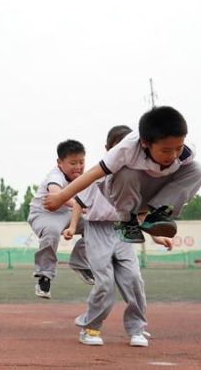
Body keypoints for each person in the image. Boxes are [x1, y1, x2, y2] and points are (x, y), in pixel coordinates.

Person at [62, 125, 173, 347]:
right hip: (98, 229)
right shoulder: (97, 176)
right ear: (108, 149)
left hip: (124, 228)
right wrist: (73, 227)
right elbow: (79, 203)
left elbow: (139, 214)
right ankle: (91, 328)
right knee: (104, 282)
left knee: (133, 279)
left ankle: (137, 329)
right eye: (118, 148)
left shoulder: (137, 179)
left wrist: (155, 236)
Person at [44, 106, 201, 243]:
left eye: (178, 148)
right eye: (165, 150)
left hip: (152, 194)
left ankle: (160, 212)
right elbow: (93, 174)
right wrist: (61, 197)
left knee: (197, 170)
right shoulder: (126, 149)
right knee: (127, 173)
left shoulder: (186, 152)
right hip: (123, 195)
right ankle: (127, 221)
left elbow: (186, 178)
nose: (173, 155)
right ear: (144, 143)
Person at [27, 139, 92, 299]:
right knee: (52, 231)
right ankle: (44, 275)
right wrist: (80, 205)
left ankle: (80, 262)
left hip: (68, 213)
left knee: (96, 226)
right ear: (60, 163)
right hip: (44, 214)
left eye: (81, 162)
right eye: (73, 163)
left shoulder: (84, 177)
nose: (78, 167)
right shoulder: (55, 175)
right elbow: (56, 194)